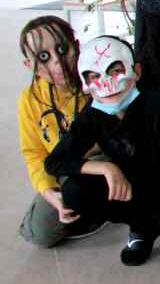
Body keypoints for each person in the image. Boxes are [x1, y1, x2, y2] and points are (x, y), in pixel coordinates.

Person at [43, 35, 160, 267]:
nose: (106, 82)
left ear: (136, 71)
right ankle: (142, 225)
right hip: (135, 189)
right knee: (75, 191)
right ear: (86, 82)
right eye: (94, 76)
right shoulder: (93, 114)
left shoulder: (159, 106)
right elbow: (54, 162)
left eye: (114, 71)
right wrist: (106, 168)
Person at [15, 16, 103, 247]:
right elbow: (34, 153)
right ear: (29, 65)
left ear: (76, 46)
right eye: (43, 57)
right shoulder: (29, 100)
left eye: (62, 49)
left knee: (84, 186)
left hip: (100, 162)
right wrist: (48, 192)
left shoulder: (97, 80)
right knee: (41, 234)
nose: (57, 62)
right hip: (62, 169)